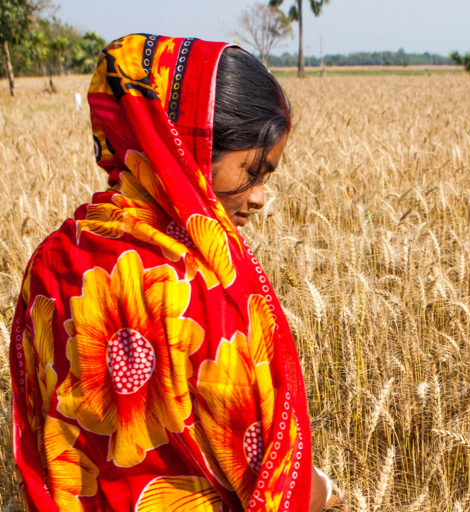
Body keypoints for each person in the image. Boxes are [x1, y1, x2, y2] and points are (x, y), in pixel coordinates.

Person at [9, 34, 340, 511]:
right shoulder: (209, 289)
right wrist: (324, 492)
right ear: (187, 149)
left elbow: (43, 436)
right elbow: (266, 474)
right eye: (251, 171)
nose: (260, 196)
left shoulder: (54, 259)